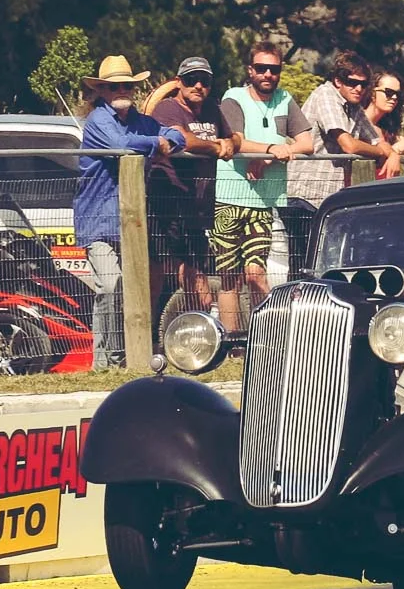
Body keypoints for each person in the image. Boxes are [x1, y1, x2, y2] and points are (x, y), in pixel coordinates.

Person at [75, 55, 186, 369]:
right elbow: (121, 143)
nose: (122, 90)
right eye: (114, 86)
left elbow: (177, 136)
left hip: (130, 222)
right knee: (111, 285)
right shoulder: (98, 121)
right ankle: (105, 361)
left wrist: (164, 141)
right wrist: (158, 143)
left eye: (127, 85)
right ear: (101, 91)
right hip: (97, 220)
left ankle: (121, 357)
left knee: (129, 289)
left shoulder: (141, 121)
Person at [215, 41, 313, 334]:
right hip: (230, 198)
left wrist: (270, 157)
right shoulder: (233, 97)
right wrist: (272, 148)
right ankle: (232, 344)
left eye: (274, 69)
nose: (268, 74)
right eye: (261, 68)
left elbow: (307, 142)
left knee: (256, 275)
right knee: (229, 278)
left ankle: (266, 340)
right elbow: (236, 141)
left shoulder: (285, 99)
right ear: (250, 70)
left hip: (264, 203)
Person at [148, 56, 242, 316]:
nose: (198, 85)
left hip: (198, 207)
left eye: (205, 80)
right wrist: (216, 147)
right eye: (191, 80)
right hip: (167, 202)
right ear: (179, 82)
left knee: (196, 279)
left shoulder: (212, 108)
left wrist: (231, 143)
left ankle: (194, 328)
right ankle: (146, 332)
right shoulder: (167, 108)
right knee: (159, 273)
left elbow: (233, 137)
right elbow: (183, 140)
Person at [289, 51, 401, 205]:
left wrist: (394, 155)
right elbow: (349, 145)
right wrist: (381, 152)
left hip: (328, 195)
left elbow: (377, 140)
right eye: (352, 82)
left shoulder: (353, 105)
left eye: (363, 84)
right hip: (303, 194)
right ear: (338, 81)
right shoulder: (326, 95)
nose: (359, 89)